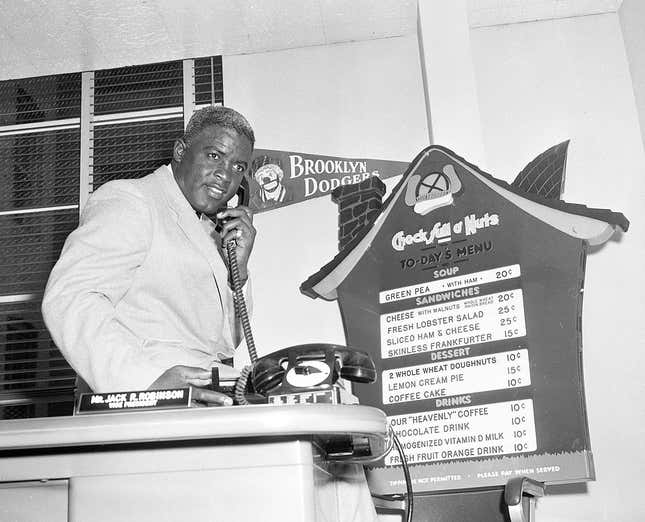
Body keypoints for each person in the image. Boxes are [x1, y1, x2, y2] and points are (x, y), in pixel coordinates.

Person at [42, 106, 256, 404]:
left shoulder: (211, 232)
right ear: (180, 150)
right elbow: (70, 297)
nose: (224, 175)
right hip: (149, 396)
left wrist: (240, 271)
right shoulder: (132, 199)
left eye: (238, 167)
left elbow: (227, 342)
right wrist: (143, 382)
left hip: (206, 394)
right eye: (214, 155)